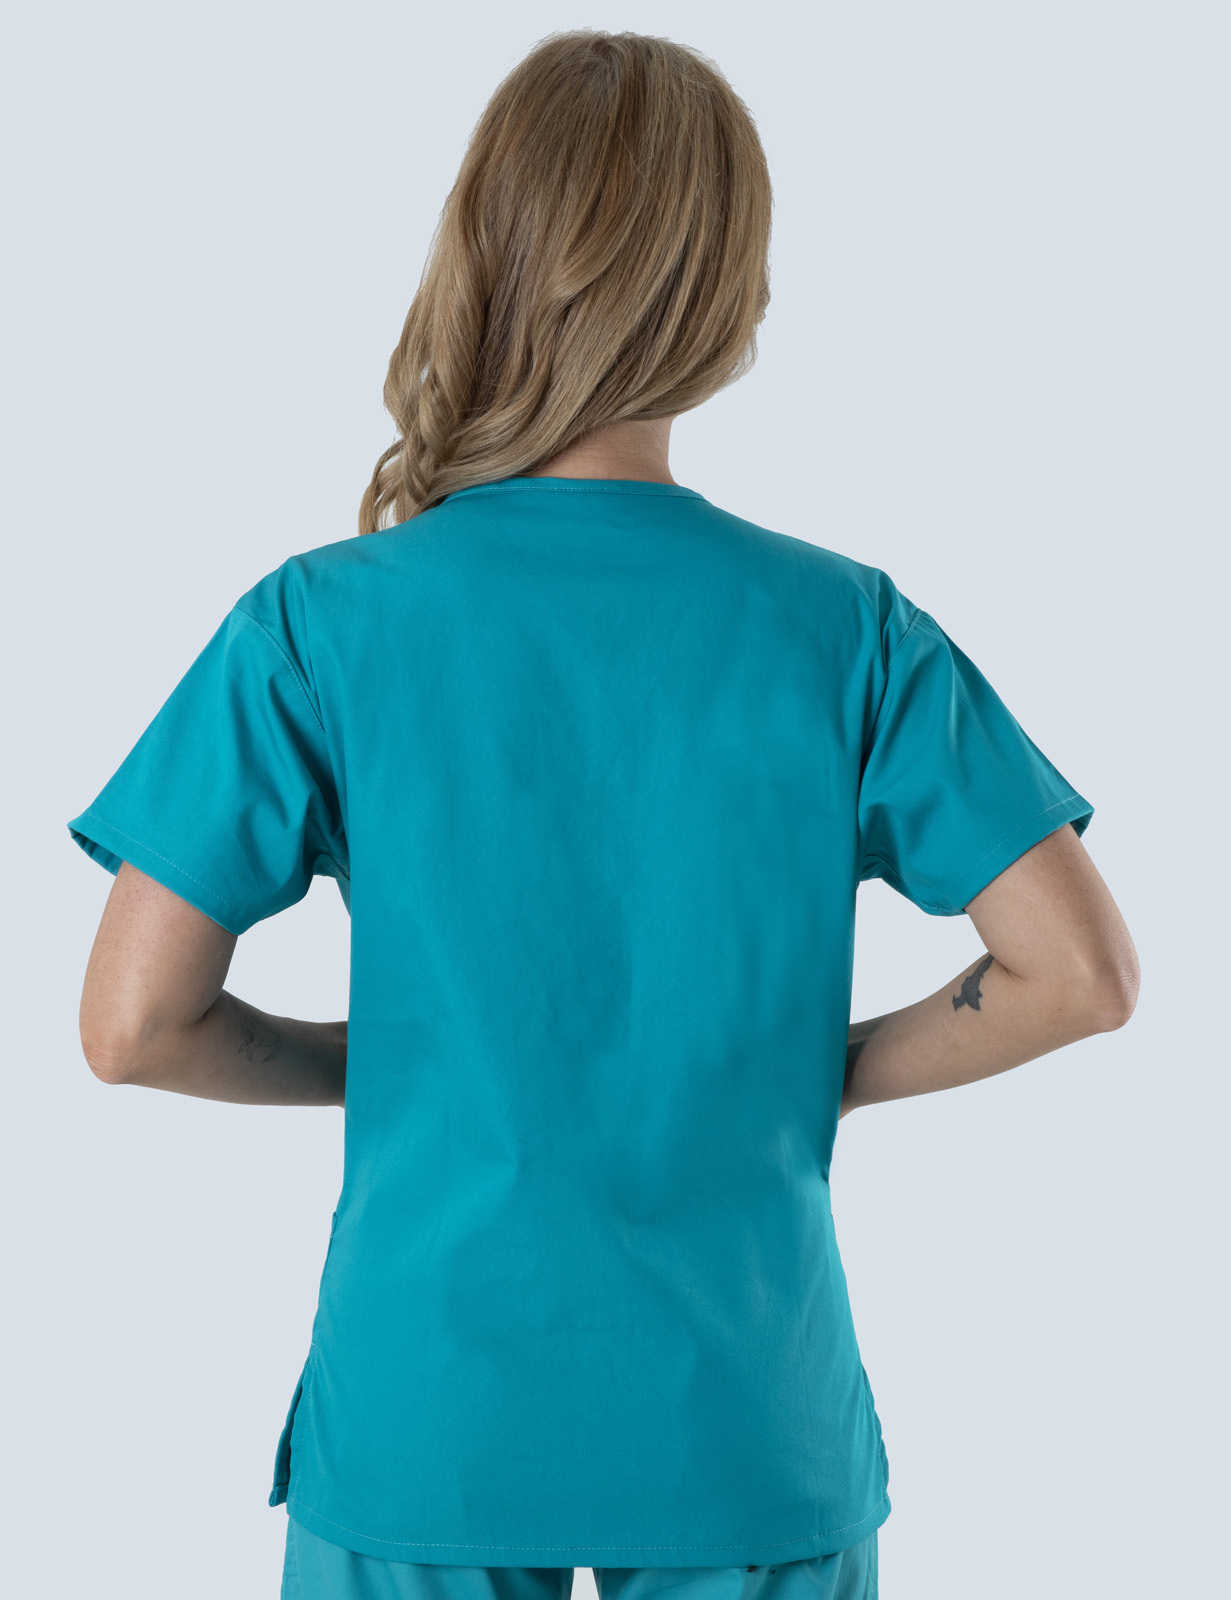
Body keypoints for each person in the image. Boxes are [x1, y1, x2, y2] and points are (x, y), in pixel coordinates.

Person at [66, 28, 1139, 1600]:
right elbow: (1080, 976)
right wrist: (799, 1071)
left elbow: (132, 1026)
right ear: (729, 297)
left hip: (427, 1425)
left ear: (485, 257)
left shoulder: (316, 624)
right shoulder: (847, 631)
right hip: (746, 1434)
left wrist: (405, 1066)